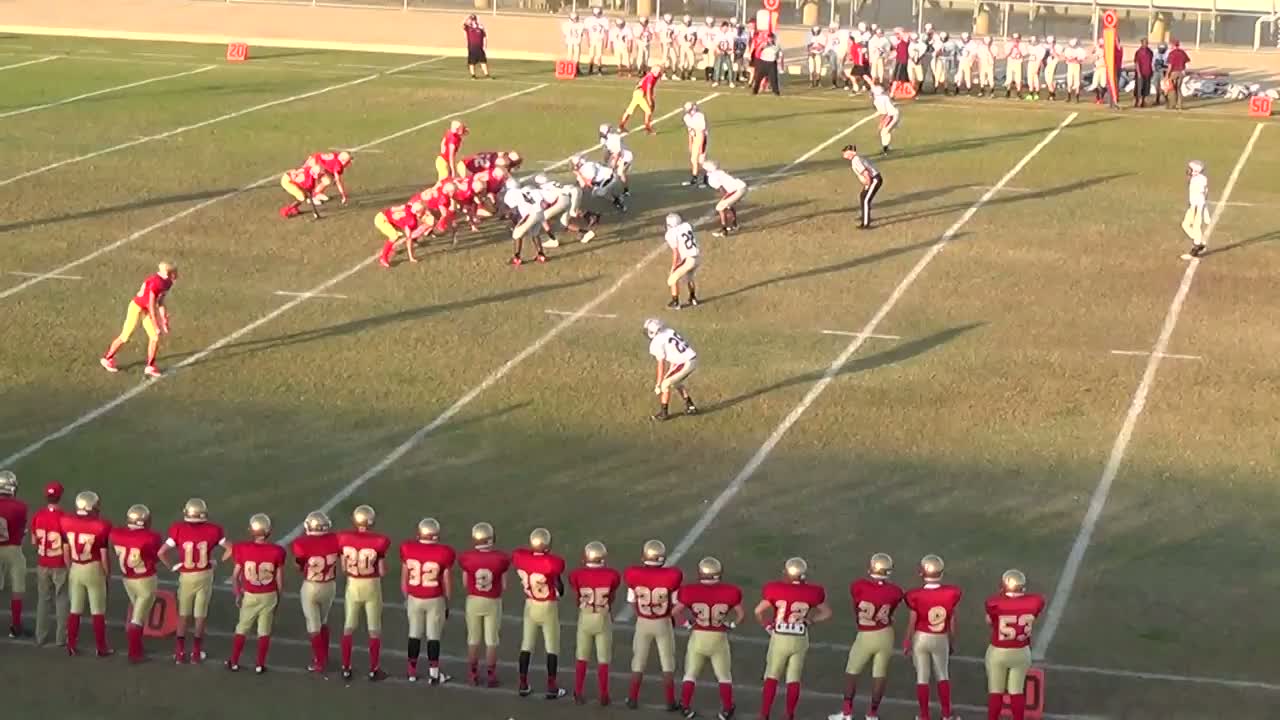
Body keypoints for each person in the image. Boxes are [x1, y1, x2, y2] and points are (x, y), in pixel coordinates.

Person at [754, 557, 832, 720]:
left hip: (780, 637)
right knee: (794, 679)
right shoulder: (813, 591)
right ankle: (789, 714)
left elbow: (758, 611)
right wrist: (810, 620)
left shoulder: (775, 588)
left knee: (772, 676)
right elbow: (826, 612)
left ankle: (764, 714)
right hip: (800, 638)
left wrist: (767, 625)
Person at [829, 553, 903, 720]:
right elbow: (891, 609)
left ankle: (847, 712)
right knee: (879, 674)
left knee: (852, 672)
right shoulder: (895, 591)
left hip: (866, 634)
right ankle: (872, 714)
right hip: (885, 634)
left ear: (871, 568)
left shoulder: (858, 586)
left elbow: (857, 604)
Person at [159, 497, 229, 664]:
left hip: (187, 576)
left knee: (183, 615)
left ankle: (179, 652)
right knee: (200, 616)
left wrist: (173, 567)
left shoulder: (178, 529)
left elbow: (161, 553)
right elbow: (230, 549)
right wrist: (216, 562)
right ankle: (196, 653)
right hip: (204, 575)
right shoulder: (214, 530)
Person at [672, 556, 743, 719]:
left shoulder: (690, 591)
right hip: (718, 636)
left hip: (699, 635)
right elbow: (741, 614)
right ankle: (727, 708)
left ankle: (685, 706)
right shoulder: (730, 592)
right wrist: (731, 625)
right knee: (724, 676)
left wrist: (687, 624)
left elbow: (675, 612)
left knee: (690, 674)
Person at [624, 539, 683, 710]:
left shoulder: (633, 575)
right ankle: (670, 701)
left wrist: (641, 615)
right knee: (667, 663)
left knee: (638, 661)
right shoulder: (672, 576)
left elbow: (632, 601)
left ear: (644, 557)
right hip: (663, 622)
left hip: (643, 622)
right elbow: (675, 603)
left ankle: (632, 698)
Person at [903, 555, 963, 720]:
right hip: (940, 637)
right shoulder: (951, 593)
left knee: (922, 677)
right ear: (941, 573)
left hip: (921, 638)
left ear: (922, 573)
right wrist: (952, 641)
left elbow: (912, 621)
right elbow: (952, 621)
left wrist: (907, 641)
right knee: (942, 675)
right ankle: (946, 714)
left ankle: (924, 715)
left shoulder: (915, 595)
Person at [337, 504, 392, 683]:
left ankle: (346, 667)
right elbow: (382, 571)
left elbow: (344, 568)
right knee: (374, 629)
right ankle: (374, 669)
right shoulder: (379, 541)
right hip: (371, 585)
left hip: (353, 584)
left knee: (348, 627)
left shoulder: (344, 538)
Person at [512, 527, 568, 699]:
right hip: (547, 606)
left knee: (526, 645)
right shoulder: (551, 563)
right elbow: (560, 590)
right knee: (552, 647)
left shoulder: (521, 558)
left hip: (530, 604)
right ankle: (552, 686)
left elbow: (521, 553)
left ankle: (523, 684)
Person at [227, 513, 286, 674]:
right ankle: (260, 664)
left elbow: (235, 576)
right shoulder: (277, 551)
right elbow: (280, 580)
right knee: (264, 630)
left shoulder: (242, 548)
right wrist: (278, 598)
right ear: (269, 531)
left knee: (242, 628)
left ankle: (234, 661)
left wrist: (237, 594)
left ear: (251, 530)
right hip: (269, 594)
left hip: (250, 594)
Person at [983, 570, 1045, 720]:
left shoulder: (995, 603)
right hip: (1021, 652)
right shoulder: (1034, 602)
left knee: (996, 692)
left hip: (999, 651)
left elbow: (990, 621)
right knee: (1016, 691)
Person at [399, 517, 455, 684]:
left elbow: (404, 579)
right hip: (434, 599)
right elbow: (447, 582)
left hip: (414, 598)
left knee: (414, 634)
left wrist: (407, 597)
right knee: (433, 636)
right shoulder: (444, 552)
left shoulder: (408, 548)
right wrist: (447, 602)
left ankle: (411, 672)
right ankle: (434, 674)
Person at [100, 262, 177, 378]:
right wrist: (156, 325)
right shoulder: (156, 283)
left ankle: (150, 366)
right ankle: (107, 358)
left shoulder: (167, 283)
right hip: (137, 307)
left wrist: (164, 319)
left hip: (146, 309)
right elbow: (151, 305)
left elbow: (160, 301)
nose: (176, 275)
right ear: (168, 273)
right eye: (174, 273)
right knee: (125, 336)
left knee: (154, 337)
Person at [59, 491, 112, 657]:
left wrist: (72, 568)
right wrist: (107, 574)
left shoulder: (66, 522)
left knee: (75, 609)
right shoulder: (101, 526)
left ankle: (71, 645)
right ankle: (101, 647)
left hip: (75, 567)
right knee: (97, 611)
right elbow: (104, 556)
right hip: (93, 568)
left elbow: (65, 552)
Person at [568, 541, 621, 705]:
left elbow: (577, 594)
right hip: (602, 618)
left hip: (585, 617)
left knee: (582, 657)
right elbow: (612, 596)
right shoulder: (612, 575)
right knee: (603, 659)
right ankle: (604, 694)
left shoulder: (576, 575)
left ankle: (578, 692)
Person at [110, 503, 163, 663]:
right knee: (137, 618)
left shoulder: (116, 534)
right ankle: (134, 654)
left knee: (138, 613)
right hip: (144, 580)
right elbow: (156, 557)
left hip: (128, 580)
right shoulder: (151, 537)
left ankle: (138, 648)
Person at [460, 522, 509, 687]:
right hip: (492, 601)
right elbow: (504, 585)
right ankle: (491, 675)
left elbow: (465, 583)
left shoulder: (467, 558)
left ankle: (473, 674)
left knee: (473, 639)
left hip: (474, 600)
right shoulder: (501, 558)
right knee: (491, 640)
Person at [291, 511, 339, 674]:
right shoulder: (335, 539)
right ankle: (324, 656)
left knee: (313, 625)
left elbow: (299, 566)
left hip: (311, 586)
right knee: (323, 621)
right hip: (329, 586)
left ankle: (319, 661)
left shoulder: (301, 543)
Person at [30, 481, 68, 647]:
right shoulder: (64, 518)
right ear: (60, 496)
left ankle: (40, 636)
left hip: (42, 562)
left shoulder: (38, 515)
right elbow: (66, 546)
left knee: (43, 600)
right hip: (59, 564)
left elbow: (34, 541)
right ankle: (61, 638)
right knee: (61, 599)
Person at [643, 318, 698, 421]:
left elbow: (661, 365)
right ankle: (691, 406)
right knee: (675, 382)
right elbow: (674, 353)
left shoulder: (656, 343)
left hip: (685, 363)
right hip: (691, 359)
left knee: (665, 385)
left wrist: (658, 384)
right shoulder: (669, 331)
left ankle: (664, 413)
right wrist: (670, 371)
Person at [0, 470, 27, 638]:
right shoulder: (20, 507)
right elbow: (21, 530)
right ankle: (16, 625)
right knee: (17, 589)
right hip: (13, 549)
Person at [663, 213, 700, 310]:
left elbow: (676, 253)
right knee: (689, 277)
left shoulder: (671, 234)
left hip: (688, 259)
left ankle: (675, 302)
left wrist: (674, 266)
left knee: (672, 278)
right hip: (697, 257)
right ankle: (693, 298)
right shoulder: (686, 226)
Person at [841, 145, 882, 229]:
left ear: (852, 152)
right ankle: (864, 215)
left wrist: (868, 185)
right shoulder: (856, 159)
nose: (844, 154)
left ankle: (865, 223)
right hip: (873, 179)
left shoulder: (856, 161)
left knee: (866, 200)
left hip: (874, 180)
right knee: (863, 196)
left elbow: (866, 173)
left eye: (846, 152)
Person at [703, 160, 746, 237]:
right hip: (742, 186)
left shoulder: (712, 178)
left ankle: (724, 230)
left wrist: (725, 199)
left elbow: (722, 190)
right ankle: (734, 225)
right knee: (728, 205)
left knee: (719, 207)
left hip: (736, 190)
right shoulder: (720, 171)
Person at [620, 65, 661, 134]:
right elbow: (648, 89)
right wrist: (650, 101)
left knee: (629, 110)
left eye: (659, 72)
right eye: (657, 71)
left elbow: (649, 87)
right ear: (653, 71)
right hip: (640, 93)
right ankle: (648, 129)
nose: (658, 73)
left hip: (637, 92)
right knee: (648, 111)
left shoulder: (653, 76)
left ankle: (621, 126)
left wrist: (651, 97)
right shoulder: (651, 77)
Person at [1181, 160, 1209, 259]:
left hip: (1196, 206)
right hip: (1195, 205)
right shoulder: (1201, 178)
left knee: (1195, 226)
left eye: (1191, 169)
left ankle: (1196, 246)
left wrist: (1197, 207)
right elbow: (1206, 192)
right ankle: (1198, 243)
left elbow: (1201, 193)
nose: (1188, 170)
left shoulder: (1197, 180)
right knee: (1185, 225)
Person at [682, 101, 708, 187]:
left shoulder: (699, 116)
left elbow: (702, 132)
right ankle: (694, 179)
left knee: (701, 160)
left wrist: (701, 146)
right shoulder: (686, 117)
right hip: (695, 138)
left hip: (701, 137)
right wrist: (690, 143)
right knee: (693, 159)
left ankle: (706, 179)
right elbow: (690, 131)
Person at [871, 85, 900, 154]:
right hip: (894, 114)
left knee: (884, 132)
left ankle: (885, 149)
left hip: (891, 115)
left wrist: (881, 123)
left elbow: (884, 112)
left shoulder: (877, 100)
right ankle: (886, 147)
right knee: (886, 132)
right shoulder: (885, 97)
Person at [463, 15, 490, 79]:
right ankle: (473, 75)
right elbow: (463, 25)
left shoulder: (480, 27)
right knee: (471, 62)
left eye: (474, 19)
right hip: (472, 48)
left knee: (483, 61)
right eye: (472, 19)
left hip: (480, 48)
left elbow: (484, 37)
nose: (473, 21)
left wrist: (485, 45)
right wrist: (467, 18)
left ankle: (487, 75)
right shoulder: (468, 27)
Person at [1165, 39, 1190, 109]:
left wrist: (1167, 75)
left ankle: (1172, 104)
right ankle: (1179, 105)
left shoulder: (1172, 53)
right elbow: (1187, 61)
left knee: (1172, 89)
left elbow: (1170, 66)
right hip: (1181, 72)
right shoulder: (1182, 52)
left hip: (1174, 72)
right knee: (1178, 88)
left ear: (1173, 45)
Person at [586, 7, 608, 75]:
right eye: (596, 14)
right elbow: (587, 31)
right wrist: (588, 40)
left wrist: (606, 41)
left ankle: (599, 70)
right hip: (592, 39)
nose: (597, 15)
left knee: (599, 55)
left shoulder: (604, 20)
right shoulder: (589, 19)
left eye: (598, 13)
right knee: (591, 55)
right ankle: (590, 69)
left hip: (599, 39)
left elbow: (606, 32)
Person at [1133, 38, 1154, 106]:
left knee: (1146, 87)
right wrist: (1139, 73)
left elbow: (1151, 62)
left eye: (1147, 43)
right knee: (1139, 87)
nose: (1146, 44)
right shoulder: (1138, 52)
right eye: (1145, 43)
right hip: (1140, 73)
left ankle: (1143, 101)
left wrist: (1151, 71)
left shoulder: (1150, 52)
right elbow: (1137, 63)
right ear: (1142, 43)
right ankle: (1137, 101)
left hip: (1148, 72)